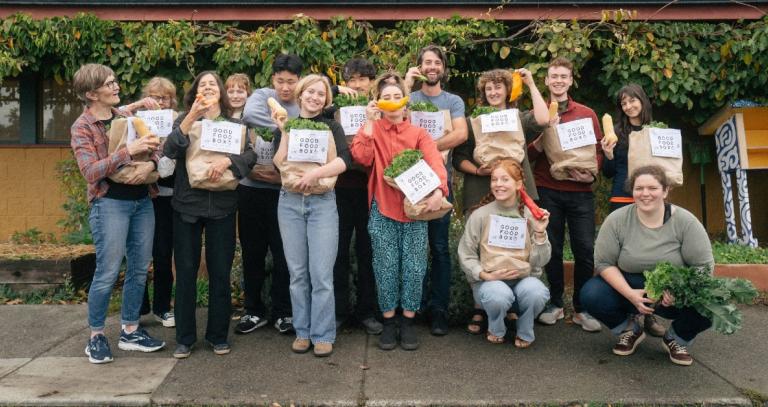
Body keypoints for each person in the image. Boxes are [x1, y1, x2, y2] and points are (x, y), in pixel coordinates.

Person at [71, 63, 165, 364]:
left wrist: (152, 161)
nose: (116, 87)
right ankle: (96, 336)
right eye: (109, 84)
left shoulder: (126, 117)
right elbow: (90, 171)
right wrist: (128, 151)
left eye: (115, 82)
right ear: (91, 93)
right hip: (110, 203)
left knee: (140, 269)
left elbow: (157, 151)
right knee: (108, 272)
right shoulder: (83, 127)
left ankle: (130, 330)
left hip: (142, 201)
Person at [350, 74, 448, 351]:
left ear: (406, 104)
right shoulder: (372, 129)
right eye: (386, 97)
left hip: (415, 210)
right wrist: (368, 122)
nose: (393, 103)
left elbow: (434, 161)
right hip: (382, 206)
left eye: (397, 97)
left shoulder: (418, 134)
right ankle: (389, 320)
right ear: (378, 102)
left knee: (415, 267)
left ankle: (408, 320)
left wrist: (440, 189)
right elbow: (362, 157)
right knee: (385, 266)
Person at [580, 165, 714, 366]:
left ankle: (676, 339)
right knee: (591, 294)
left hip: (673, 291)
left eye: (652, 188)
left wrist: (680, 290)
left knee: (712, 304)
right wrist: (630, 294)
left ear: (666, 190)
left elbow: (703, 266)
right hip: (631, 285)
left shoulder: (685, 222)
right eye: (639, 188)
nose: (645, 194)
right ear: (632, 191)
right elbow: (604, 262)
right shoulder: (617, 220)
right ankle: (630, 329)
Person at [163, 71, 256, 358]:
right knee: (186, 273)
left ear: (221, 92)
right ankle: (185, 338)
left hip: (223, 206)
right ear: (195, 92)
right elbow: (170, 150)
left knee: (219, 272)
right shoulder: (184, 121)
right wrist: (191, 117)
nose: (207, 88)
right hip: (187, 205)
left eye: (212, 84)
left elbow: (250, 156)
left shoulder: (235, 124)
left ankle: (217, 336)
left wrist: (229, 159)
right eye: (202, 85)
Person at [452, 68, 551, 335]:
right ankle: (481, 305)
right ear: (483, 94)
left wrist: (530, 82)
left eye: (499, 87)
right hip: (479, 188)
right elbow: (458, 157)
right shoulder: (474, 121)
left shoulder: (519, 118)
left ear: (508, 90)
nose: (494, 93)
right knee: (482, 245)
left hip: (517, 190)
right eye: (489, 89)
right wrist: (478, 171)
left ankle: (509, 303)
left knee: (514, 241)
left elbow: (543, 119)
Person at [272, 74, 352, 357]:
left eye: (321, 94)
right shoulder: (287, 124)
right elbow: (278, 163)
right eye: (311, 92)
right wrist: (283, 132)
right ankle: (302, 332)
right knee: (297, 274)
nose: (315, 97)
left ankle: (323, 334)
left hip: (322, 203)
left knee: (321, 274)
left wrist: (316, 173)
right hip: (290, 203)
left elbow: (345, 160)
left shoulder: (332, 126)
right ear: (301, 94)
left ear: (326, 100)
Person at [528, 57, 604, 332]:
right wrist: (542, 133)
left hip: (581, 193)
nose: (558, 81)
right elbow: (525, 155)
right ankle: (556, 303)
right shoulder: (537, 114)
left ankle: (582, 308)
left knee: (585, 250)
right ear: (546, 81)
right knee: (553, 249)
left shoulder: (587, 113)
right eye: (553, 76)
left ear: (570, 81)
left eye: (563, 76)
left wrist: (593, 172)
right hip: (548, 189)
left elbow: (598, 150)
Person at [236, 54, 302, 335]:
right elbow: (249, 116)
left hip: (285, 192)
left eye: (291, 82)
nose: (285, 88)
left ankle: (283, 312)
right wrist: (287, 126)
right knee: (253, 252)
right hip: (252, 190)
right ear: (272, 79)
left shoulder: (303, 102)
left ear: (299, 81)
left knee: (285, 254)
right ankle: (252, 310)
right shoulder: (262, 96)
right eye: (280, 81)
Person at [405, 45, 468, 335]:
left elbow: (460, 134)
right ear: (419, 67)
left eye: (436, 63)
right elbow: (394, 122)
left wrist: (425, 146)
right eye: (426, 63)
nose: (432, 67)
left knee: (440, 248)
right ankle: (414, 307)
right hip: (409, 184)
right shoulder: (411, 98)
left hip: (441, 183)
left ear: (443, 68)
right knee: (414, 248)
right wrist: (406, 83)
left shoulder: (452, 100)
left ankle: (439, 309)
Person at [458, 159, 551, 348]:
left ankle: (525, 328)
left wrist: (540, 232)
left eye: (504, 179)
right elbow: (465, 253)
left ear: (518, 185)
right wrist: (484, 275)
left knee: (537, 292)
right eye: (494, 180)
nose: (498, 184)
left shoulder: (531, 215)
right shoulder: (480, 215)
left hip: (523, 282)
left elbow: (541, 260)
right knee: (498, 295)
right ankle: (496, 326)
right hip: (490, 284)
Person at [601, 84, 664, 337]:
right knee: (624, 255)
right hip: (622, 197)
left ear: (642, 101)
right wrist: (607, 154)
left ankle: (650, 314)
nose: (628, 106)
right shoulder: (616, 133)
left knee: (652, 254)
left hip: (652, 199)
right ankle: (630, 311)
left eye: (632, 101)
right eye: (623, 103)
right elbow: (607, 172)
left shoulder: (657, 131)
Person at [332, 58, 382, 334]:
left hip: (369, 189)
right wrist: (338, 91)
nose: (357, 84)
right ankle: (340, 311)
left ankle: (366, 311)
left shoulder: (378, 109)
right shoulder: (334, 108)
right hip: (338, 188)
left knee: (367, 252)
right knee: (338, 253)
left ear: (371, 82)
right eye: (352, 80)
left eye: (363, 79)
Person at [136, 76, 179, 328]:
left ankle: (162, 307)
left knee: (163, 254)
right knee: (139, 253)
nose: (160, 102)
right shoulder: (136, 121)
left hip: (168, 197)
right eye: (155, 96)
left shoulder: (178, 121)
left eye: (164, 97)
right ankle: (138, 307)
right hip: (143, 195)